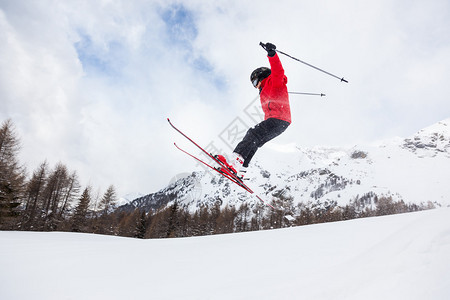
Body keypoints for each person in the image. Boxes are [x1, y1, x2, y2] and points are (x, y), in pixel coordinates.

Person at [229, 42, 291, 179]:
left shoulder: (273, 81)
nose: (255, 86)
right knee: (255, 141)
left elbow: (278, 71)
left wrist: (272, 54)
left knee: (252, 134)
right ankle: (241, 169)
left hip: (278, 119)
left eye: (254, 82)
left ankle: (235, 162)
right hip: (279, 123)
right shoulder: (264, 92)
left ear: (260, 76)